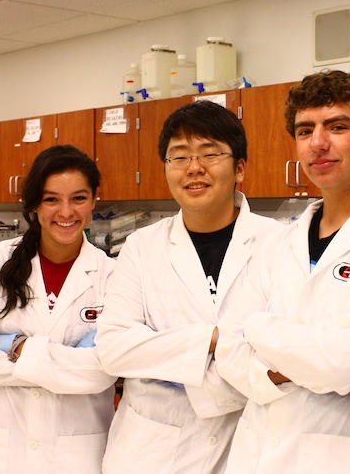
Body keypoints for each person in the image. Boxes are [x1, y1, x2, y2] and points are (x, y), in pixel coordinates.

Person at [216, 70, 350, 473]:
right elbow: (229, 351)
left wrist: (260, 330)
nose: (318, 143)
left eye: (337, 127)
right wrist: (298, 366)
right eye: (304, 130)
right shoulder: (280, 240)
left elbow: (340, 361)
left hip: (341, 457)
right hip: (255, 454)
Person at [95, 100, 281, 474]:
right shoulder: (141, 248)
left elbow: (282, 357)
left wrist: (167, 360)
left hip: (247, 447)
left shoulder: (280, 244)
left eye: (210, 154)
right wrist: (215, 341)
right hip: (152, 454)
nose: (194, 168)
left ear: (240, 168)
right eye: (178, 157)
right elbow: (114, 349)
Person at [0, 145, 116, 474]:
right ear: (34, 204)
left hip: (74, 452)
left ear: (95, 199)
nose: (66, 212)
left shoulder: (112, 275)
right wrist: (64, 363)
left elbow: (101, 371)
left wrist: (14, 346)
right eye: (52, 199)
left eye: (78, 198)